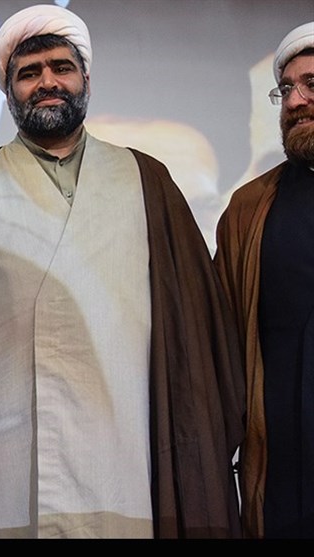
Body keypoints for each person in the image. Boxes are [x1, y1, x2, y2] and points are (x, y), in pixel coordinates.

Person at [0, 5, 245, 539]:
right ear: (9, 93)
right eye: (29, 73)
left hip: (125, 461)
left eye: (61, 68)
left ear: (86, 80)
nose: (47, 82)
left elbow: (194, 339)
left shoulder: (147, 180)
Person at [214, 22, 314, 539]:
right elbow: (216, 341)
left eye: (311, 84)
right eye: (286, 89)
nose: (295, 101)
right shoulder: (249, 209)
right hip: (282, 486)